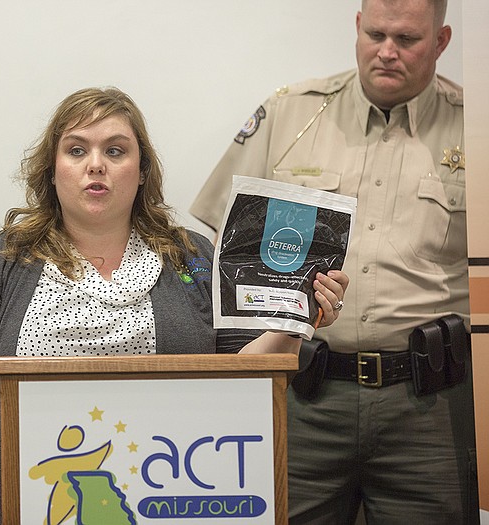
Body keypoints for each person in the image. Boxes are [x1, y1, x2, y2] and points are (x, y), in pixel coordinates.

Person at [0, 86, 349, 524]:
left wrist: (294, 319)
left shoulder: (194, 258)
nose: (95, 165)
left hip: (169, 496)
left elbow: (247, 378)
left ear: (142, 170)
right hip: (33, 499)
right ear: (51, 171)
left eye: (116, 151)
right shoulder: (5, 257)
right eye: (76, 150)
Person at [190, 0, 476, 523]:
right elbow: (221, 243)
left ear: (441, 42)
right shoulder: (292, 114)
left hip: (429, 408)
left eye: (407, 40)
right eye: (376, 33)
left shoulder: (474, 127)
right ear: (357, 28)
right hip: (305, 395)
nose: (387, 51)